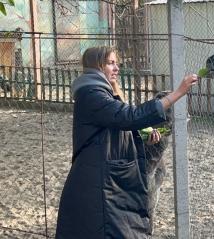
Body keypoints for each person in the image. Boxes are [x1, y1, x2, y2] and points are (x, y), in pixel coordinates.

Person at [55, 46, 198, 239]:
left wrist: (144, 134)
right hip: (99, 186)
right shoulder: (92, 95)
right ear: (96, 65)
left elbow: (118, 127)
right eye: (110, 63)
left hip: (110, 181)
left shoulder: (103, 93)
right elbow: (128, 117)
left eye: (117, 64)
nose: (116, 68)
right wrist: (177, 93)